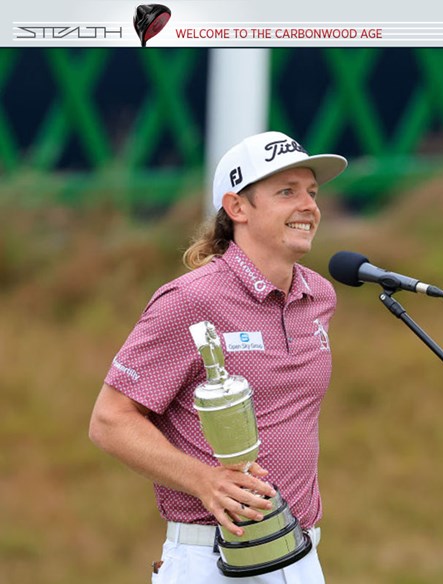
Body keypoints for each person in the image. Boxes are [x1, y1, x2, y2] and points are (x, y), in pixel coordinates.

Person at [89, 131, 347, 583]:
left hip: (302, 555)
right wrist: (205, 481)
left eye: (312, 192)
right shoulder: (190, 300)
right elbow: (111, 420)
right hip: (210, 561)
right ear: (237, 208)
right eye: (286, 191)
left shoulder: (319, 295)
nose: (308, 205)